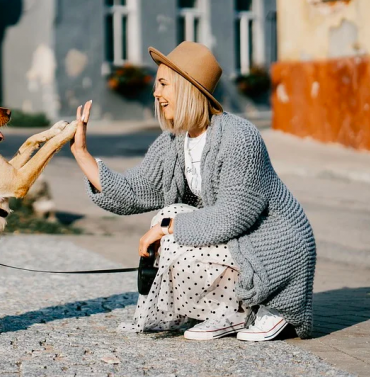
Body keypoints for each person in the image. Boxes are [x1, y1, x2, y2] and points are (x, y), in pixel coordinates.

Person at [70, 42, 316, 341]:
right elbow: (135, 191)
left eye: (163, 84)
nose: (155, 93)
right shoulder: (175, 141)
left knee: (170, 224)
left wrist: (166, 229)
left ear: (187, 88)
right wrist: (82, 153)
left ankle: (267, 306)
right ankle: (226, 312)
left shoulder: (240, 138)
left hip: (273, 247)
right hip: (237, 241)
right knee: (169, 216)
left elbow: (233, 216)